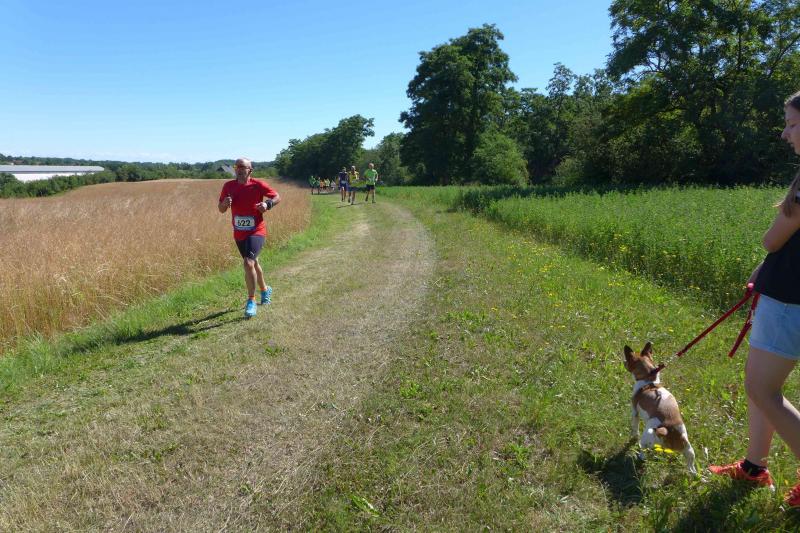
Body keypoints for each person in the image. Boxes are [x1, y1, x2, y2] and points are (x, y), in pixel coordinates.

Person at [709, 91, 800, 506]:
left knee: (762, 389)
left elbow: (773, 238)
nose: (784, 133)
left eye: (792, 123)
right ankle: (753, 467)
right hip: (782, 291)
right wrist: (765, 270)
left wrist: (768, 257)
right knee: (760, 385)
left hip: (789, 300)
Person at [218, 158, 281, 318]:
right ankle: (265, 290)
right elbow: (221, 209)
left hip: (256, 230)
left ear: (250, 170)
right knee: (253, 263)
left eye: (242, 167)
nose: (239, 169)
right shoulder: (228, 186)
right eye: (236, 166)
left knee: (248, 262)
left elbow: (277, 196)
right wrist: (224, 203)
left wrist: (267, 204)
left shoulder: (258, 185)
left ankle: (251, 301)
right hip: (239, 233)